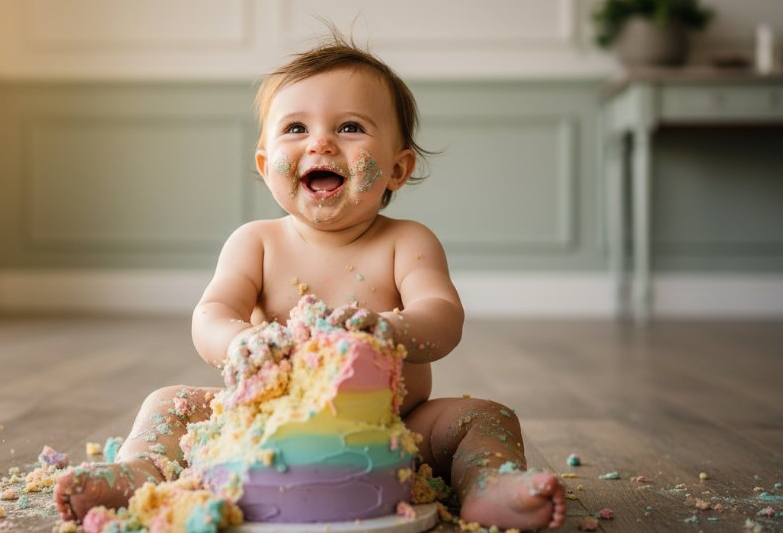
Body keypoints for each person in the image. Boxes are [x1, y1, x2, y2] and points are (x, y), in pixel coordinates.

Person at [55, 31, 567, 531]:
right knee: (168, 402)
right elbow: (210, 314)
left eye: (349, 127)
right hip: (261, 427)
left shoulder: (407, 241)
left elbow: (443, 317)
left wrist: (388, 330)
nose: (320, 141)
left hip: (392, 431)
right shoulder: (256, 242)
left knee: (486, 416)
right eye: (296, 129)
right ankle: (140, 472)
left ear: (397, 168)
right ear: (264, 163)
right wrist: (241, 342)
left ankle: (489, 484)